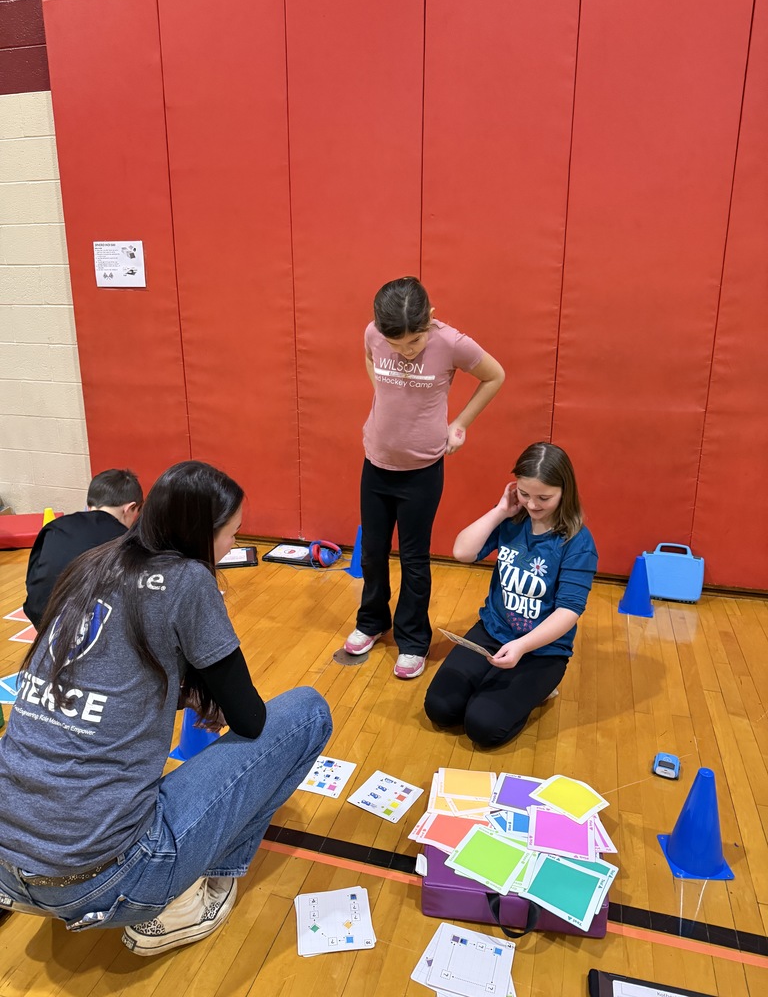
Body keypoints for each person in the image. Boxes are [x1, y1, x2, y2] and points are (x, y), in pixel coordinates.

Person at [0, 460, 332, 956]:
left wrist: (184, 688)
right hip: (104, 880)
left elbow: (112, 678)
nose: (232, 547)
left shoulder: (92, 564)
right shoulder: (188, 580)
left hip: (6, 866)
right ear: (203, 534)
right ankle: (184, 901)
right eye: (232, 534)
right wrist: (206, 687)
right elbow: (250, 718)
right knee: (306, 711)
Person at [343, 276, 505, 680]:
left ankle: (412, 640)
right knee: (372, 552)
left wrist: (461, 424)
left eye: (413, 343)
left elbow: (495, 375)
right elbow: (369, 355)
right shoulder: (373, 334)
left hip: (421, 470)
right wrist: (381, 390)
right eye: (395, 346)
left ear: (430, 319)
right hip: (376, 462)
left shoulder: (451, 342)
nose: (405, 351)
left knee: (414, 558)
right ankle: (371, 621)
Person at [424, 442, 598, 747]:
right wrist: (500, 511)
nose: (532, 505)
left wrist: (522, 646)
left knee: (484, 728)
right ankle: (499, 684)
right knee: (440, 708)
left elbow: (569, 611)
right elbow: (463, 552)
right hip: (492, 632)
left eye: (544, 497)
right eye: (524, 493)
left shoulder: (577, 542)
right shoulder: (513, 520)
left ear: (564, 492)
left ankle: (542, 687)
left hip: (541, 649)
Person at [23, 468, 144, 629]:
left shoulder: (55, 526)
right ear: (130, 508)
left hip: (41, 618)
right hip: (87, 629)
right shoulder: (126, 539)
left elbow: (33, 579)